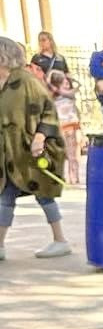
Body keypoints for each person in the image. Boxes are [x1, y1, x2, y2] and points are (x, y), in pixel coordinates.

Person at [0, 35, 70, 259]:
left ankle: (60, 240)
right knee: (5, 196)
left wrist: (40, 137)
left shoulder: (25, 81)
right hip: (8, 155)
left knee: (43, 194)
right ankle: (0, 246)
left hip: (30, 151)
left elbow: (48, 109)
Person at [47, 69, 83, 183]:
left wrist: (72, 79)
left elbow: (78, 86)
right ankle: (63, 176)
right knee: (64, 153)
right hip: (62, 126)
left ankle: (74, 177)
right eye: (64, 81)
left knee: (74, 154)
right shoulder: (53, 94)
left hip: (73, 125)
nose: (66, 83)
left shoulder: (69, 94)